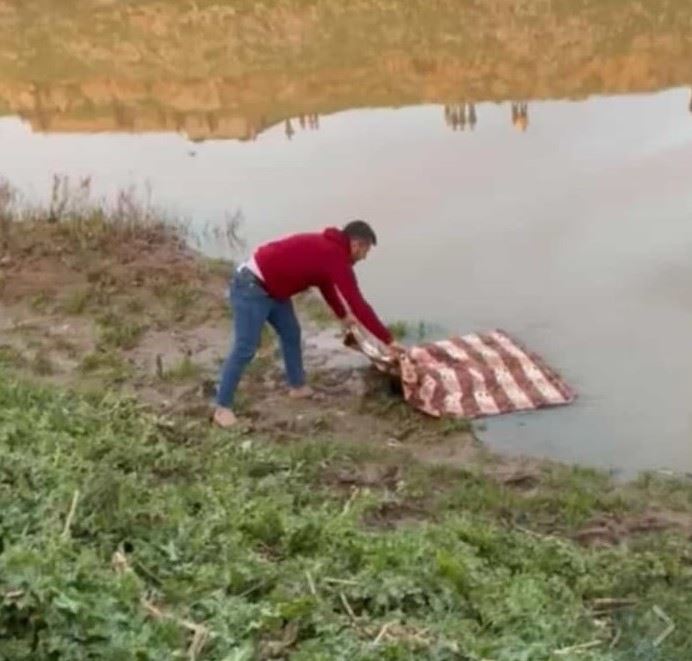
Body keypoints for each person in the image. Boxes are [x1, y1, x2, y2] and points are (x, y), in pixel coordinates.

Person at [213, 220, 402, 428]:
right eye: (365, 251)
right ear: (356, 244)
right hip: (251, 286)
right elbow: (357, 303)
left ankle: (297, 387)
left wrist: (342, 315)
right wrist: (388, 340)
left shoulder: (330, 251)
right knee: (245, 348)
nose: (364, 257)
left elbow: (324, 282)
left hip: (275, 288)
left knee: (291, 334)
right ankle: (222, 408)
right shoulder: (335, 256)